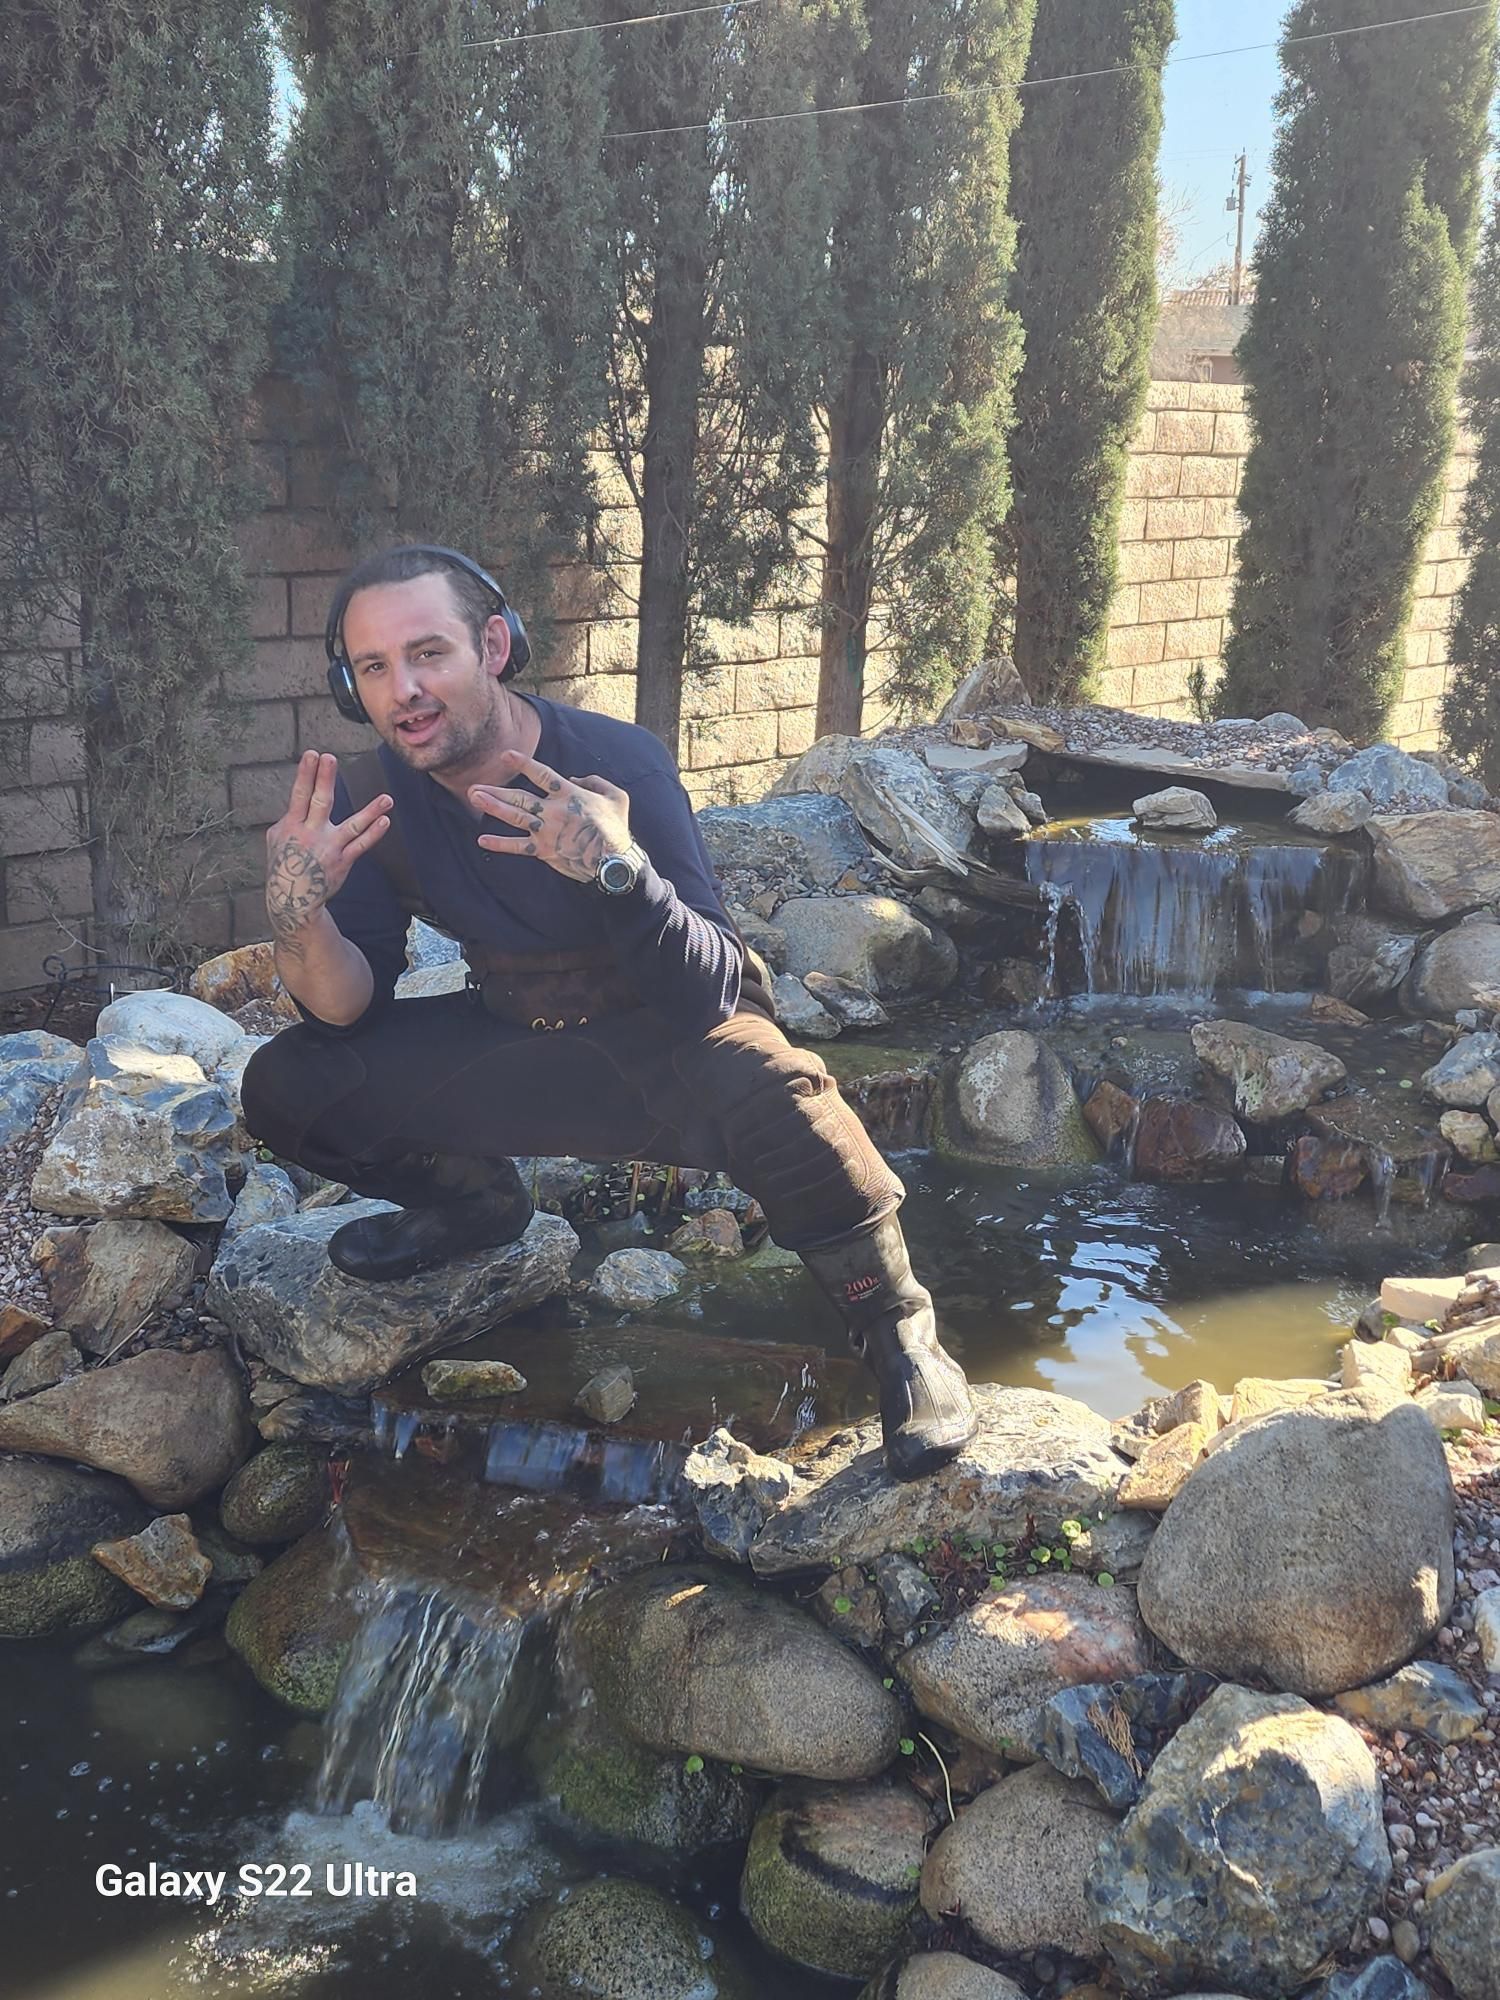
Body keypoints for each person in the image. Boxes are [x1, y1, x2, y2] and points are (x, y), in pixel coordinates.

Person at [239, 543, 978, 1480]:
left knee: (778, 1084)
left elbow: (711, 988)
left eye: (429, 655)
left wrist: (617, 872)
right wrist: (297, 918)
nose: (404, 692)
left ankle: (900, 1329)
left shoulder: (613, 760)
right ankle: (474, 1205)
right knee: (290, 1081)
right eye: (375, 669)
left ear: (495, 646)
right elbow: (347, 1012)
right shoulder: (366, 795)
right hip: (517, 1043)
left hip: (667, 1042)